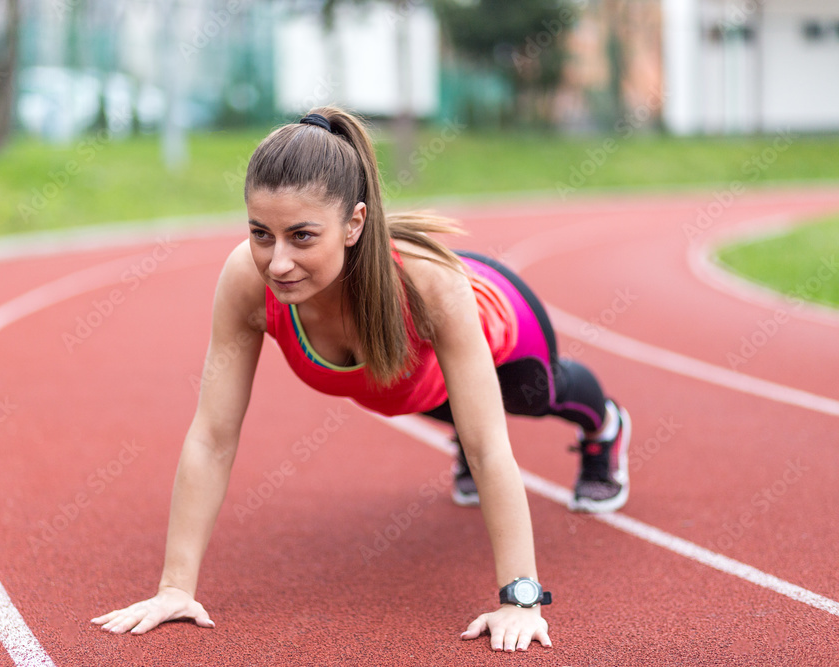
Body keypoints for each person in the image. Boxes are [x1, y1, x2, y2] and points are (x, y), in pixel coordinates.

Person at [91, 106, 630, 653]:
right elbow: (211, 437)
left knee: (533, 395)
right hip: (408, 384)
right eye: (261, 234)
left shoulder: (430, 284)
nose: (277, 263)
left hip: (503, 328)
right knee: (423, 397)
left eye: (301, 236)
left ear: (354, 224)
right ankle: (458, 438)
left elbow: (492, 446)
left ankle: (605, 429)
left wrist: (520, 599)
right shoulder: (247, 281)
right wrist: (174, 589)